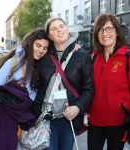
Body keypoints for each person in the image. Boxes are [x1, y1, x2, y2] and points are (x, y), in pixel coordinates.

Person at [32, 17, 94, 150]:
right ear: (49, 36)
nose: (59, 30)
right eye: (54, 28)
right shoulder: (43, 55)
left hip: (69, 119)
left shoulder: (82, 55)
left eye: (61, 26)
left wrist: (77, 107)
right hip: (46, 118)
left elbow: (89, 89)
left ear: (67, 28)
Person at [88, 13, 130, 150]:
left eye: (109, 28)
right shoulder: (93, 58)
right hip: (94, 122)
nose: (105, 33)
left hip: (119, 124)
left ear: (117, 31)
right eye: (100, 29)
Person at [0, 28, 50, 150]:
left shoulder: (36, 65)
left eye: (45, 48)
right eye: (38, 45)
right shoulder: (15, 62)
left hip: (22, 117)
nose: (41, 50)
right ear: (30, 43)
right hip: (6, 116)